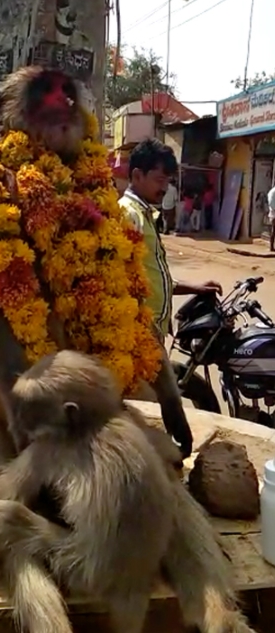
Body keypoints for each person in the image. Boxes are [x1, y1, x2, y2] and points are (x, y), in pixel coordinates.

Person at [118, 139, 222, 457]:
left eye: (168, 181)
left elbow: (152, 275)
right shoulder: (129, 215)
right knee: (149, 402)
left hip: (151, 330)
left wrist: (194, 288)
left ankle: (176, 449)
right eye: (159, 180)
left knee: (164, 395)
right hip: (137, 332)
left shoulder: (146, 214)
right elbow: (121, 275)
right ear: (137, 176)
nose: (166, 188)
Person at [267, 183, 275, 252]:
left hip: (272, 214)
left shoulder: (271, 191)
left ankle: (271, 247)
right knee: (273, 231)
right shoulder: (273, 192)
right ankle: (271, 247)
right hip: (274, 214)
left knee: (273, 231)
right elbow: (272, 204)